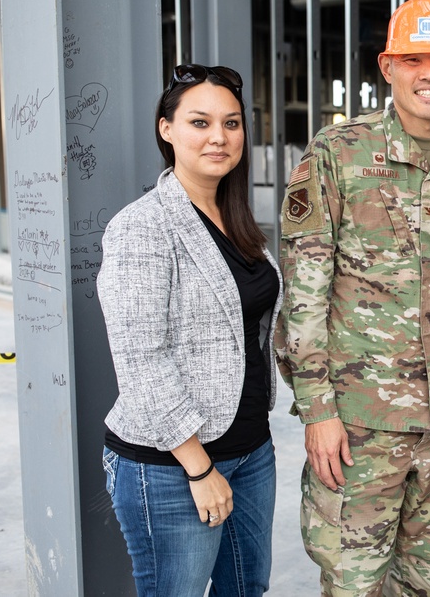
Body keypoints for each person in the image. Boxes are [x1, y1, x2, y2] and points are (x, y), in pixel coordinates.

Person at [275, 0, 430, 596]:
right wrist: (317, 410)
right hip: (360, 424)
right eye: (413, 59)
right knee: (354, 583)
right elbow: (304, 296)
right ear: (386, 66)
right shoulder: (338, 154)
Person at [98, 64, 282, 596]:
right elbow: (140, 360)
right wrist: (200, 470)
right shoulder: (142, 226)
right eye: (199, 122)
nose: (219, 137)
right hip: (172, 465)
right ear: (166, 129)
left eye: (231, 124)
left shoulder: (238, 219)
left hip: (250, 447)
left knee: (247, 589)